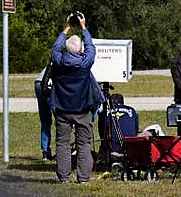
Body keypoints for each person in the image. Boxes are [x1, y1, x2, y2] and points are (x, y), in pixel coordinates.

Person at [50, 13, 104, 184]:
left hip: (62, 108)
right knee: (83, 145)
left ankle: (64, 177)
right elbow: (91, 48)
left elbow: (55, 49)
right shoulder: (85, 63)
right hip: (82, 109)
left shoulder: (58, 61)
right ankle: (83, 178)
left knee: (63, 144)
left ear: (67, 49)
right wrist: (84, 27)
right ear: (80, 50)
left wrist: (66, 29)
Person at [97, 93, 139, 166]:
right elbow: (136, 130)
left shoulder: (105, 113)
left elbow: (102, 134)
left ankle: (105, 159)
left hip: (112, 147)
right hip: (131, 146)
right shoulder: (132, 110)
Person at [34, 67, 53, 161]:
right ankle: (62, 151)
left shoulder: (57, 55)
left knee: (45, 119)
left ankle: (45, 151)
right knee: (62, 121)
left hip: (39, 82)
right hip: (50, 83)